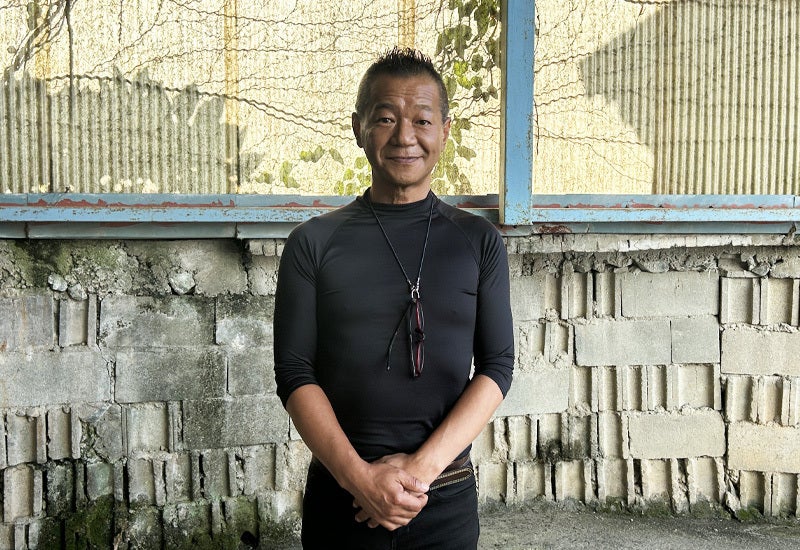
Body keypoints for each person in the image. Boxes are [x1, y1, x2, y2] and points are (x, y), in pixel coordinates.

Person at [273, 47, 514, 549]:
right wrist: (361, 479)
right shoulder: (313, 243)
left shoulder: (478, 242)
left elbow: (497, 366)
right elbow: (294, 372)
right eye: (385, 118)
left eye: (422, 120)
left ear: (444, 130)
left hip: (443, 499)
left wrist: (419, 473)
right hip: (342, 499)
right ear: (358, 127)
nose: (405, 136)